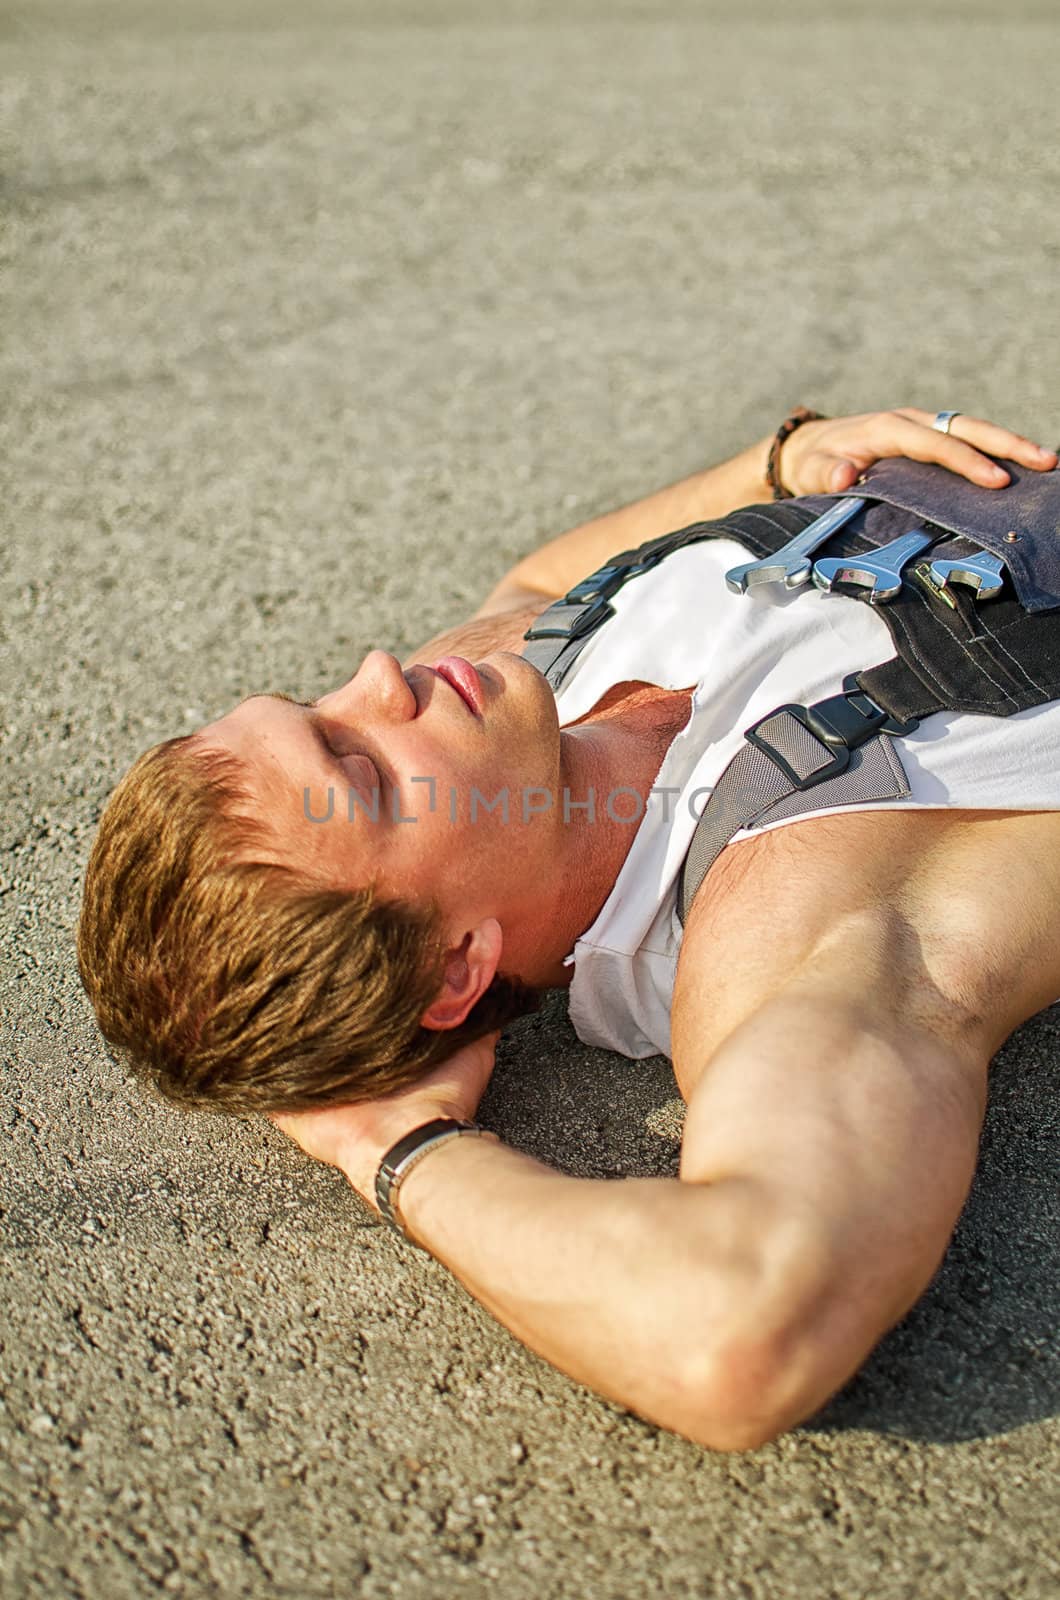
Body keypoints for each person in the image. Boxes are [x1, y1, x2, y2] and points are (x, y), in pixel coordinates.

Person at [77, 406, 1060, 1451]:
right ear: (457, 966)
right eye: (354, 767)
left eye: (311, 706)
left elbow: (530, 584)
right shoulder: (796, 914)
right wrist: (398, 1148)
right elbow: (737, 1324)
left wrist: (777, 461)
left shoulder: (499, 688)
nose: (375, 673)